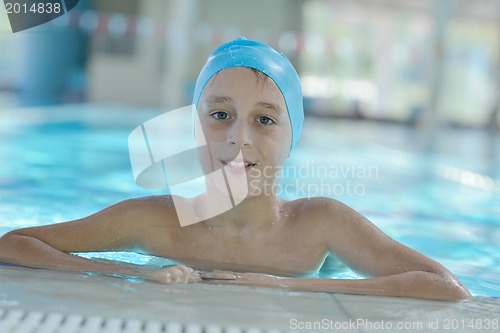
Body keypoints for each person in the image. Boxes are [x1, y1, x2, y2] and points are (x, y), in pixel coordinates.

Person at [0, 38, 470, 301]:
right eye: (220, 114)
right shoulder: (155, 222)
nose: (238, 138)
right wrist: (126, 275)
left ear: (293, 136)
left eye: (265, 120)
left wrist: (282, 285)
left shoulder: (319, 225)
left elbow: (446, 288)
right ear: (195, 127)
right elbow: (13, 244)